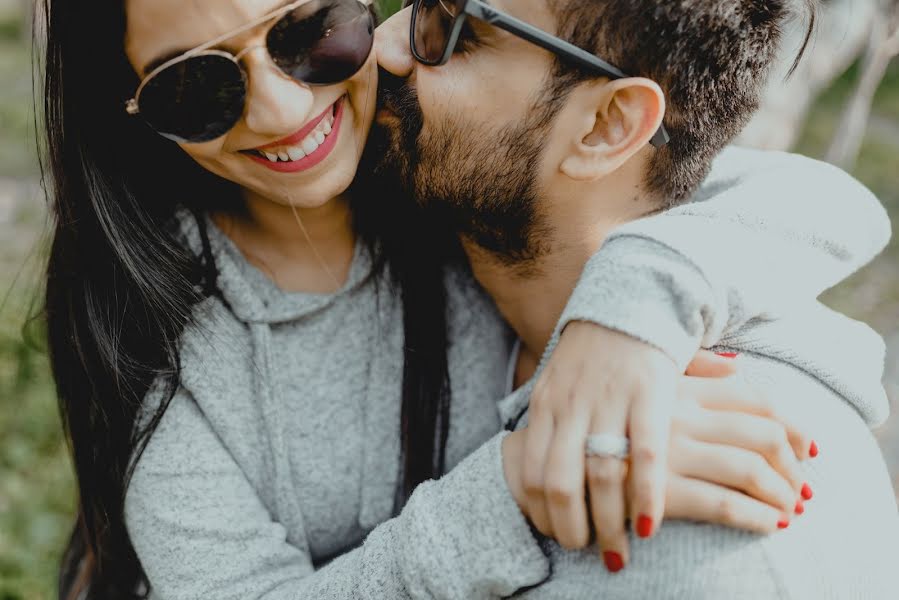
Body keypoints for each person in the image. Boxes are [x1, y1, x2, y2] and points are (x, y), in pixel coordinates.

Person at [36, 1, 890, 599]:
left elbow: (813, 200)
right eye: (194, 88)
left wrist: (625, 318)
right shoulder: (149, 332)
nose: (282, 107)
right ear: (133, 111)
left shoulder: (439, 169)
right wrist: (507, 494)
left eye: (310, 33)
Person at [374, 0, 899, 596]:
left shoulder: (708, 558)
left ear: (608, 126)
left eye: (453, 27)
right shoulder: (445, 216)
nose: (386, 44)